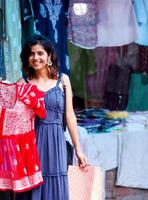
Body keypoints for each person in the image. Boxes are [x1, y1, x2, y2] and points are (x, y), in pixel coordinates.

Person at [16, 34, 88, 200]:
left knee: (56, 187)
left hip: (57, 144)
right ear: (27, 59)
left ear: (49, 56)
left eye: (40, 53)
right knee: (34, 186)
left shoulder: (63, 81)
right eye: (31, 54)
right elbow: (15, 119)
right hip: (31, 145)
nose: (36, 57)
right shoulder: (22, 83)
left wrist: (78, 149)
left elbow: (69, 116)